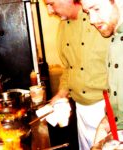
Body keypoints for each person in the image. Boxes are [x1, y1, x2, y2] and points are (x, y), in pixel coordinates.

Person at [43, 0, 111, 149]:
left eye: (51, 4)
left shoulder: (101, 21)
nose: (49, 11)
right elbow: (68, 68)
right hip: (81, 110)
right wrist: (61, 94)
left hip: (107, 108)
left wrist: (113, 112)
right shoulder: (62, 27)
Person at [80, 0, 123, 146]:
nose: (91, 20)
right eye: (87, 12)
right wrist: (107, 122)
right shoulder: (114, 39)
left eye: (96, 9)